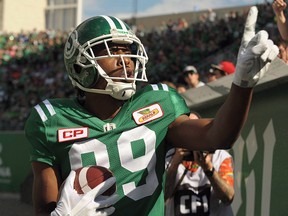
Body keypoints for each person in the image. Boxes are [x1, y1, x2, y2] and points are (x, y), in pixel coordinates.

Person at [24, 7, 279, 216]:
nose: (125, 60)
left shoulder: (158, 102)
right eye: (112, 50)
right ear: (81, 66)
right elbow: (43, 208)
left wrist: (242, 84)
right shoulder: (51, 120)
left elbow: (218, 136)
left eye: (128, 51)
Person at [165, 113, 234, 216]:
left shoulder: (220, 156)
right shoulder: (169, 157)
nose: (190, 139)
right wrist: (174, 164)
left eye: (193, 131)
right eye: (185, 133)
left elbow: (228, 197)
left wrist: (209, 169)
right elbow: (163, 198)